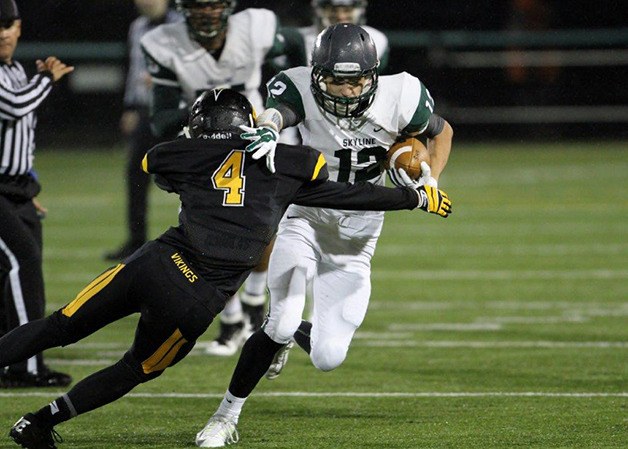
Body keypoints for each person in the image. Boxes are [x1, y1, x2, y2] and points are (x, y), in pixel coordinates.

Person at [5, 88, 451, 449]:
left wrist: (200, 151)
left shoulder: (176, 152)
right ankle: (39, 422)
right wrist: (415, 197)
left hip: (153, 263)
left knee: (59, 325)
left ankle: (36, 413)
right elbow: (350, 196)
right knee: (136, 367)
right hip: (197, 296)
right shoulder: (289, 164)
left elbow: (157, 168)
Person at [195, 23, 454, 447]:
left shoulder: (402, 93)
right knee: (279, 322)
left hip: (357, 238)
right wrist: (268, 126)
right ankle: (225, 415)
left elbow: (440, 130)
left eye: (357, 81)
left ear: (373, 74)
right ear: (317, 74)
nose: (348, 91)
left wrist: (431, 180)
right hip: (306, 215)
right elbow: (279, 112)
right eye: (336, 80)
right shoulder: (297, 85)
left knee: (328, 357)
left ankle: (288, 336)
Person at [140, 0, 289, 356]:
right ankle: (233, 317)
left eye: (213, 4)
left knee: (263, 222)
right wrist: (208, 107)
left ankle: (252, 305)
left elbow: (293, 54)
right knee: (208, 228)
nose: (206, 11)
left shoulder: (257, 26)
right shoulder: (163, 41)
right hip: (202, 139)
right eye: (198, 5)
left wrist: (282, 100)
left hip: (256, 136)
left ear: (227, 8)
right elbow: (160, 119)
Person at [0, 0, 74, 388]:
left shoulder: (13, 70)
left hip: (15, 189)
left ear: (19, 27)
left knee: (25, 271)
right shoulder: (16, 80)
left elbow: (18, 136)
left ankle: (15, 359)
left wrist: (27, 184)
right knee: (22, 260)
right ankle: (24, 366)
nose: (2, 32)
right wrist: (46, 80)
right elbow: (14, 106)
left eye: (7, 24)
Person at [104, 0, 182, 261]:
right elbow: (134, 70)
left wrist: (166, 77)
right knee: (135, 174)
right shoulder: (136, 27)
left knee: (189, 175)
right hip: (146, 112)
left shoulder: (182, 24)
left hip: (177, 110)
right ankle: (136, 241)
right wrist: (130, 106)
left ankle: (197, 239)